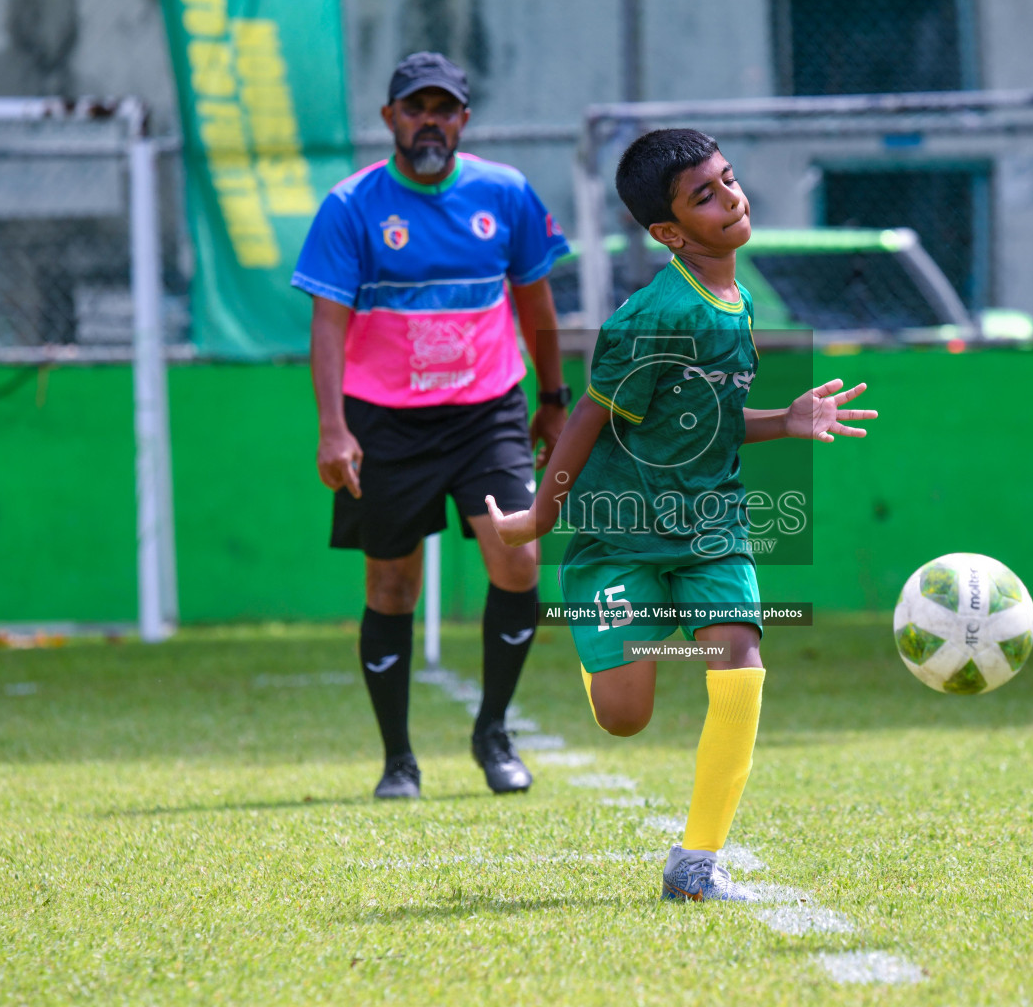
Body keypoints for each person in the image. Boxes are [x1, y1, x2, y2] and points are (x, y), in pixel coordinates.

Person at [483, 129, 876, 901]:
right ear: (667, 232)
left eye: (729, 181)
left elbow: (709, 414)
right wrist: (537, 520)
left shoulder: (739, 299)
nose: (730, 199)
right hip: (619, 535)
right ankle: (633, 639)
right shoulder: (649, 319)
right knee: (625, 716)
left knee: (740, 664)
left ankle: (695, 865)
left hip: (711, 528)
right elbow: (587, 424)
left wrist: (784, 420)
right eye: (706, 194)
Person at [291, 52, 572, 799]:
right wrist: (333, 428)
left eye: (444, 109)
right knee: (391, 585)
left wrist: (552, 395)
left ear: (463, 121)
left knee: (519, 559)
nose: (430, 123)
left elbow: (536, 304)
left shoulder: (504, 193)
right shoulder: (351, 207)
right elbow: (327, 326)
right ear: (389, 119)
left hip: (488, 412)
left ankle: (493, 732)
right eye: (415, 108)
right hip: (384, 420)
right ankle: (398, 762)